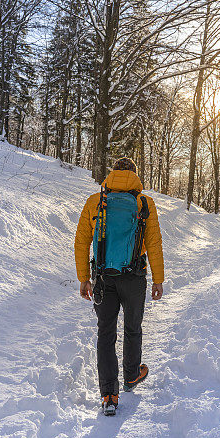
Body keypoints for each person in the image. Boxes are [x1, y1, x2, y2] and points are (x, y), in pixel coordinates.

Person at [74, 157, 164, 416]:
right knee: (133, 327)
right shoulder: (144, 203)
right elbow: (154, 243)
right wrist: (158, 279)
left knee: (106, 334)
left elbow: (81, 242)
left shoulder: (95, 202)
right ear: (135, 175)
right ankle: (132, 375)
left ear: (112, 173)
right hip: (134, 277)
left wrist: (84, 278)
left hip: (103, 278)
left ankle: (109, 395)